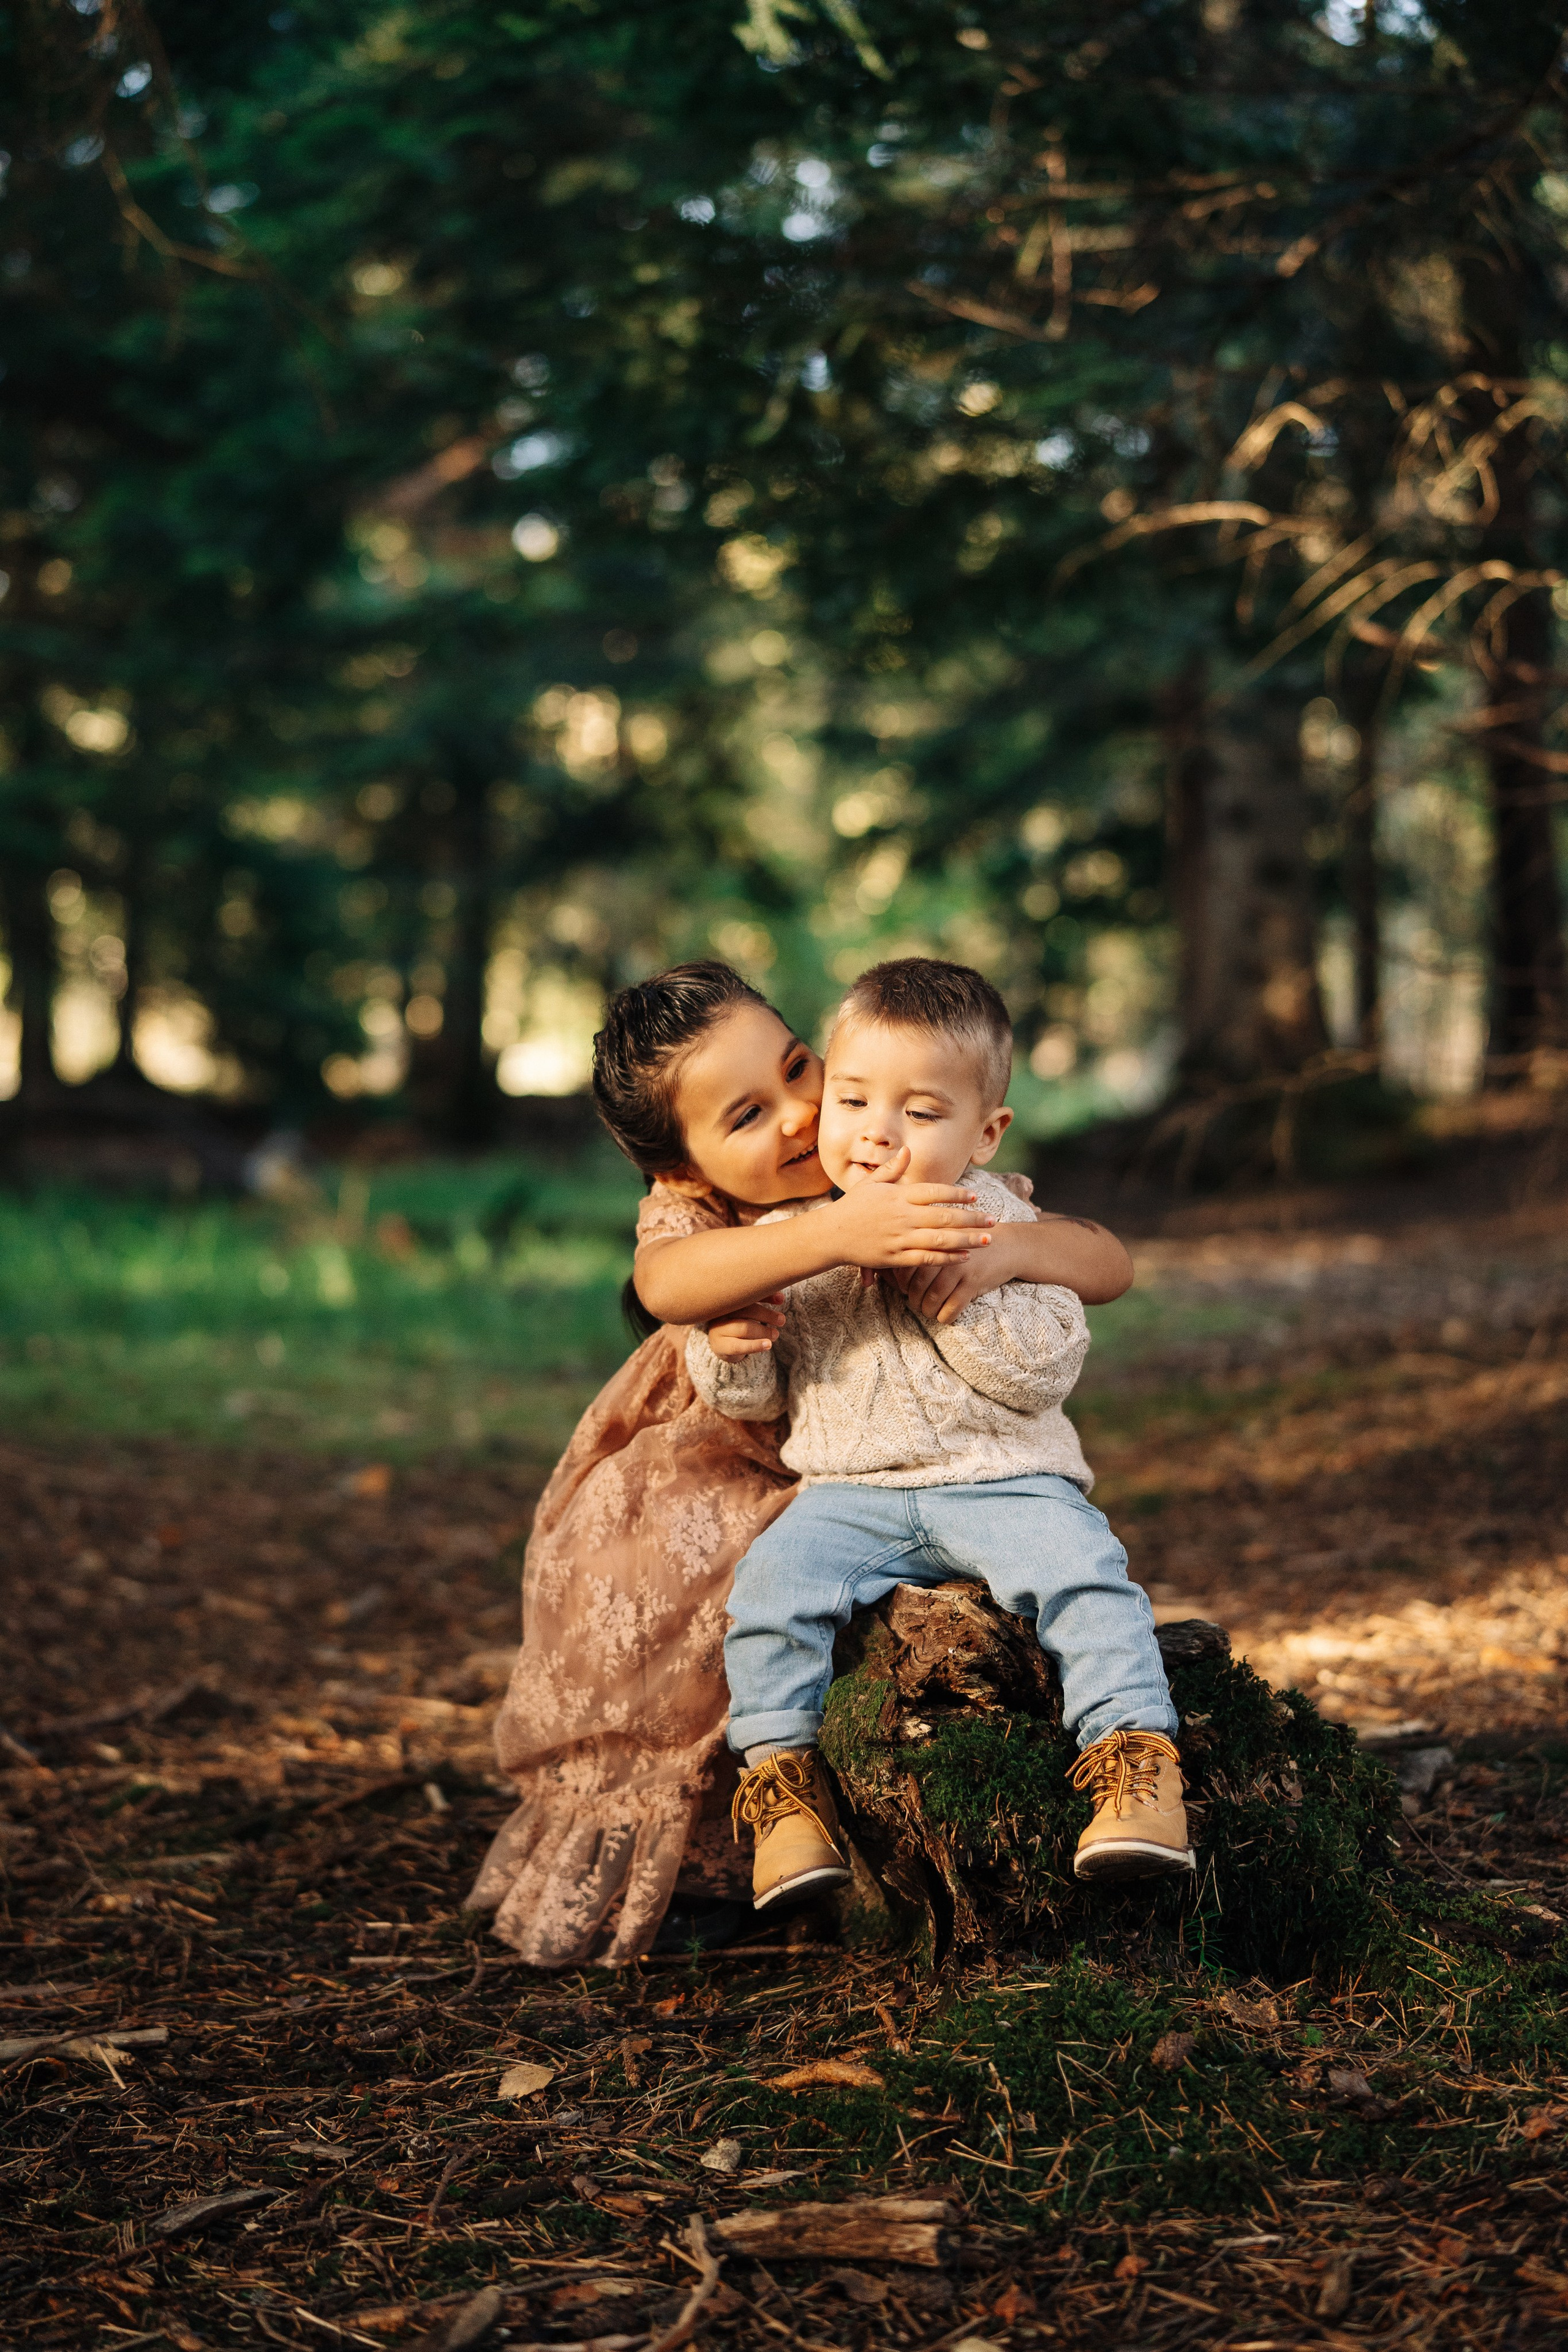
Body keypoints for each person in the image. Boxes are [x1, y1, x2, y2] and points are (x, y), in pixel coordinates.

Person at [469, 960, 1134, 1966]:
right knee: (685, 1627)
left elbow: (1105, 1261)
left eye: (797, 1067)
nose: (799, 1114)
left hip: (867, 1462)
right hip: (720, 1447)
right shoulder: (703, 1210)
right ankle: (716, 1867)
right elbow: (664, 1281)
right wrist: (831, 1232)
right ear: (685, 1171)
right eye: (746, 1115)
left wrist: (1013, 1251)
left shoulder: (886, 1140)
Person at [685, 957, 1193, 1912]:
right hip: (847, 1493)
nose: (876, 1135)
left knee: (1087, 1575)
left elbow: (1045, 1374)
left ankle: (1136, 1767)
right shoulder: (799, 1232)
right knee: (769, 1593)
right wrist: (733, 1344)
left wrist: (963, 1296)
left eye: (920, 1114)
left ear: (984, 1131)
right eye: (853, 1100)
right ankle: (785, 1793)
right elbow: (755, 1402)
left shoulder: (998, 1221)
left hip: (1002, 1481)